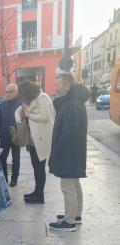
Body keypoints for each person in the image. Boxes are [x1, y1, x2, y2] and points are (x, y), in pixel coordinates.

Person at [48, 73, 89, 232]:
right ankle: (75, 215)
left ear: (67, 86)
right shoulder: (73, 102)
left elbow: (69, 133)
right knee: (74, 184)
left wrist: (56, 151)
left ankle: (69, 220)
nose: (56, 88)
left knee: (67, 186)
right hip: (74, 154)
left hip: (69, 154)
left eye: (58, 85)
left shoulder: (71, 104)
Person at [17, 81, 54, 204]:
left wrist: (28, 114)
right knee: (36, 168)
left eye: (22, 93)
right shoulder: (34, 98)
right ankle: (37, 192)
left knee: (39, 168)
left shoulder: (42, 97)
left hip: (40, 139)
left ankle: (39, 196)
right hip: (33, 140)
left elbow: (46, 117)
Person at [0, 84, 21, 186]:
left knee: (16, 159)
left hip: (16, 136)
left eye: (10, 91)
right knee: (2, 159)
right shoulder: (3, 104)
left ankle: (14, 179)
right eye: (6, 92)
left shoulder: (21, 104)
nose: (8, 94)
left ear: (16, 92)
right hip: (4, 136)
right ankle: (4, 177)